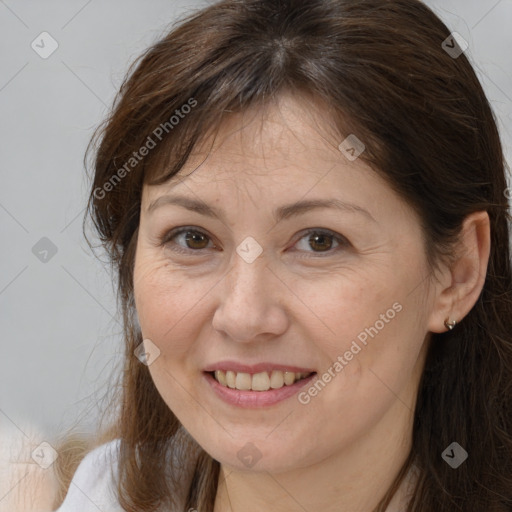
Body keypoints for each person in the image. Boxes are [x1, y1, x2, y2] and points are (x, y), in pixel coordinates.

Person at [52, 0, 512, 511]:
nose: (245, 316)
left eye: (320, 241)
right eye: (194, 238)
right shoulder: (101, 494)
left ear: (457, 272)